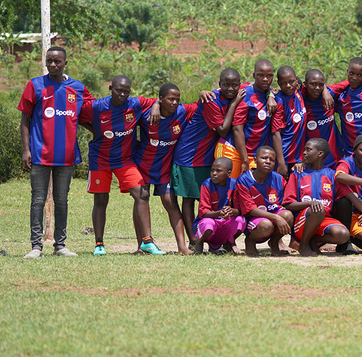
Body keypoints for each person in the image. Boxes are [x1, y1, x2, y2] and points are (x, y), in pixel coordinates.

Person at [19, 46, 93, 258]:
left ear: (65, 63)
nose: (53, 65)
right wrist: (26, 150)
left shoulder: (77, 88)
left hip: (66, 155)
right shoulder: (35, 85)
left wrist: (102, 135)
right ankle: (36, 246)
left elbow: (90, 113)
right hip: (40, 153)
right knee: (38, 199)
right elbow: (25, 118)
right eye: (49, 61)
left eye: (57, 61)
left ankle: (60, 245)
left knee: (62, 199)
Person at [79, 75, 165, 255]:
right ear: (111, 89)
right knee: (101, 200)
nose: (123, 94)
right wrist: (95, 131)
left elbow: (159, 98)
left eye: (127, 91)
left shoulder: (135, 104)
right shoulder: (96, 107)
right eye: (119, 90)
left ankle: (147, 242)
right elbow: (78, 115)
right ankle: (99, 244)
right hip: (100, 159)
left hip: (125, 160)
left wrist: (156, 105)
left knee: (142, 194)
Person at [172, 68, 244, 248]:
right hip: (190, 155)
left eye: (234, 85)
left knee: (204, 196)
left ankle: (215, 236)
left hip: (207, 155)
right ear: (219, 85)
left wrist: (272, 94)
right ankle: (193, 239)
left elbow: (261, 87)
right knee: (189, 198)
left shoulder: (234, 91)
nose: (230, 88)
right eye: (226, 85)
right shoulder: (212, 101)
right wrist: (234, 104)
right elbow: (223, 129)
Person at [135, 83, 199, 255]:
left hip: (164, 168)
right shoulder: (147, 113)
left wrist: (205, 92)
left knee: (170, 202)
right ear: (161, 99)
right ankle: (141, 245)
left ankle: (182, 247)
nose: (174, 103)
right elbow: (131, 103)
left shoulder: (182, 112)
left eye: (177, 99)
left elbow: (201, 103)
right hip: (143, 165)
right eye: (170, 99)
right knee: (141, 200)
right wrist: (155, 105)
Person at [282, 138, 362, 257]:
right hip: (303, 222)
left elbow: (352, 198)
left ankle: (315, 241)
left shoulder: (331, 175)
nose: (304, 153)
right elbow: (288, 204)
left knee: (343, 234)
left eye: (308, 150)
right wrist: (309, 204)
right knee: (318, 209)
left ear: (320, 154)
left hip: (324, 221)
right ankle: (303, 244)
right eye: (304, 150)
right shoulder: (298, 174)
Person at [236, 146, 293, 256]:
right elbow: (250, 210)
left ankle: (274, 242)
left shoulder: (278, 178)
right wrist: (275, 217)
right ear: (255, 160)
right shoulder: (244, 179)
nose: (268, 162)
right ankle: (250, 242)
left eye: (272, 160)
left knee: (288, 215)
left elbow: (285, 202)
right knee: (266, 225)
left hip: (272, 215)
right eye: (264, 158)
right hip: (254, 220)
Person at [232, 60, 276, 176]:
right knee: (230, 190)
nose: (265, 79)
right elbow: (237, 129)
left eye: (269, 76)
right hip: (235, 152)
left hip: (255, 154)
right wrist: (245, 160)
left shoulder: (273, 95)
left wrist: (270, 94)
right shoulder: (245, 93)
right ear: (254, 76)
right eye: (261, 75)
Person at [193, 158, 245, 254]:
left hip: (224, 222)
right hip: (209, 222)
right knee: (208, 224)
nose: (214, 173)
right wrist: (219, 213)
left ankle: (228, 243)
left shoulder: (233, 184)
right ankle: (199, 242)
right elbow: (203, 213)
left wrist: (231, 211)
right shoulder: (207, 184)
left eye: (219, 171)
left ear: (228, 173)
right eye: (212, 170)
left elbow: (240, 210)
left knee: (241, 221)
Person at [302, 69, 344, 167]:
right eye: (313, 84)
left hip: (336, 157)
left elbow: (351, 80)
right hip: (312, 161)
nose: (317, 88)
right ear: (305, 84)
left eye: (321, 85)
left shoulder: (330, 93)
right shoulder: (299, 99)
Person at [271, 66, 307, 177]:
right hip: (286, 157)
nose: (288, 86)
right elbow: (276, 133)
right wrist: (281, 163)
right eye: (284, 83)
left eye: (291, 82)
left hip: (297, 157)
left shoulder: (298, 93)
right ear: (279, 84)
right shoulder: (279, 102)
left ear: (296, 80)